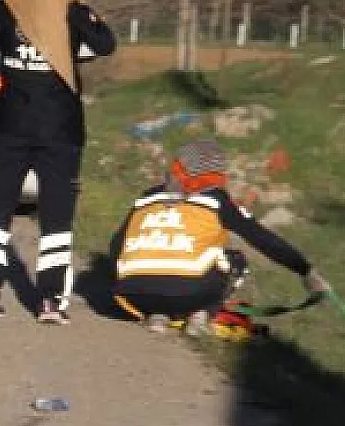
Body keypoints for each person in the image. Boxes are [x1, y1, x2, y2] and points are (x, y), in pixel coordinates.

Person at [0, 0, 117, 324]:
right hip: (61, 131)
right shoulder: (72, 12)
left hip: (9, 125)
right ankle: (50, 300)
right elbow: (105, 44)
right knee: (56, 216)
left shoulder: (6, 9)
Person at [111, 139, 329, 336]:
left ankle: (157, 314)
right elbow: (262, 239)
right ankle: (201, 314)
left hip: (131, 295)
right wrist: (305, 270)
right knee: (235, 260)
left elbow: (116, 246)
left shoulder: (148, 197)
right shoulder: (216, 201)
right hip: (188, 293)